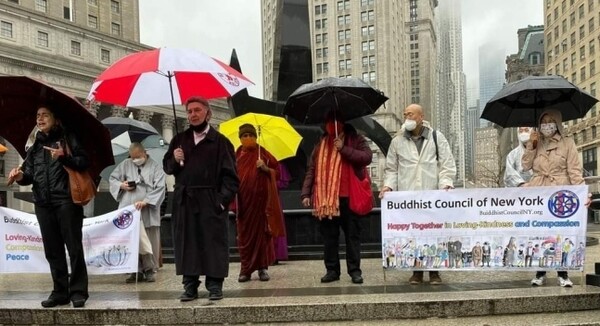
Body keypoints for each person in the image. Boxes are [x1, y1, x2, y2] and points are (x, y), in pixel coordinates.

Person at [8, 106, 89, 308]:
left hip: (66, 201)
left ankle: (78, 291)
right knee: (52, 250)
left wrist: (63, 156)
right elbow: (29, 176)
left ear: (55, 118)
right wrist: (20, 177)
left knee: (74, 248)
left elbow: (83, 162)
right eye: (38, 115)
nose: (40, 118)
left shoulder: (68, 137)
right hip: (43, 203)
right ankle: (60, 292)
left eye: (45, 115)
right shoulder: (35, 145)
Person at [163, 96, 239, 302]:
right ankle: (190, 286)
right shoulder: (179, 140)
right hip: (185, 201)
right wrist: (174, 158)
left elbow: (231, 178)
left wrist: (221, 201)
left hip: (210, 201)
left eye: (197, 110)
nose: (193, 115)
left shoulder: (221, 142)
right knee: (187, 243)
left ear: (208, 113)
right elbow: (168, 168)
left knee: (212, 242)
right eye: (189, 111)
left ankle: (215, 285)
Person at [379, 104, 456, 285]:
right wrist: (388, 186)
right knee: (413, 235)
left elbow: (447, 164)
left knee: (434, 233)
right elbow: (391, 169)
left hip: (432, 197)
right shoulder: (397, 141)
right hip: (409, 198)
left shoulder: (436, 137)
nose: (407, 118)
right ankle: (417, 271)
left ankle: (434, 272)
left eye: (411, 114)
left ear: (421, 117)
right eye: (405, 114)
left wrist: (446, 184)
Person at [301, 111, 372, 284]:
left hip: (350, 197)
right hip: (327, 200)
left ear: (343, 123)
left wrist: (344, 148)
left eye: (336, 121)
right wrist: (306, 193)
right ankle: (332, 270)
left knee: (352, 237)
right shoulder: (321, 144)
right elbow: (312, 169)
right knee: (329, 238)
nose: (332, 125)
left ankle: (354, 271)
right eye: (328, 122)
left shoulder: (355, 139)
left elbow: (366, 157)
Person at [522, 109, 587, 287]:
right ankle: (540, 271)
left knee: (560, 233)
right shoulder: (535, 143)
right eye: (543, 121)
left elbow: (574, 171)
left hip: (560, 194)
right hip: (538, 193)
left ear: (557, 123)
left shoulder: (567, 143)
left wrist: (581, 193)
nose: (547, 125)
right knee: (540, 232)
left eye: (551, 121)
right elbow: (525, 166)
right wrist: (531, 146)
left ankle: (563, 273)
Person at [234, 123, 285, 282]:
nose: (248, 138)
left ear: (256, 137)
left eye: (251, 135)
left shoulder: (262, 153)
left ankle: (263, 268)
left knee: (262, 236)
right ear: (240, 139)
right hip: (243, 204)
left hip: (261, 204)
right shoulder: (236, 155)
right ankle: (245, 269)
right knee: (244, 237)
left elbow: (277, 173)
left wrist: (265, 168)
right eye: (244, 136)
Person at [109, 142, 166, 283]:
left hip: (147, 210)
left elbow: (160, 187)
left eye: (138, 157)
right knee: (131, 239)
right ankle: (135, 270)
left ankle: (149, 269)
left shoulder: (155, 167)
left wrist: (146, 201)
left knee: (148, 239)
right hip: (129, 208)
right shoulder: (125, 164)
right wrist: (122, 185)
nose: (135, 160)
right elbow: (113, 179)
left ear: (144, 153)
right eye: (133, 157)